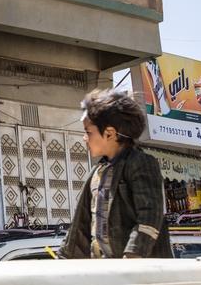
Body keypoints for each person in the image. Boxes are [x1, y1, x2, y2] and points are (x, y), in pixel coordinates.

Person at [60, 89, 172, 259]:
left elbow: (150, 215)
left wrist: (132, 255)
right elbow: (80, 227)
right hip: (107, 272)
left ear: (109, 133)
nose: (84, 138)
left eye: (88, 132)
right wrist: (63, 259)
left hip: (143, 276)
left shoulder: (141, 163)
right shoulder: (97, 173)